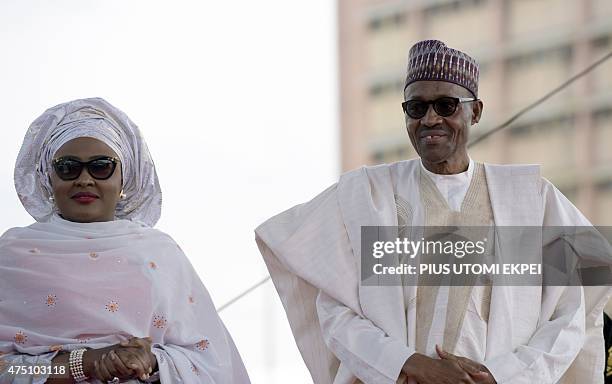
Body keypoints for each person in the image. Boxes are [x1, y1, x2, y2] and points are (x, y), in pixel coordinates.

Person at [255, 40, 612, 383]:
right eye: (416, 107)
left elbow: (567, 317)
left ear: (476, 110)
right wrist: (410, 365)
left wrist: (499, 376)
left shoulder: (530, 200)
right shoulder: (369, 198)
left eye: (446, 106)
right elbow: (336, 312)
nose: (429, 119)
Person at [0, 98, 250, 383]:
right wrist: (84, 363)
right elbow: (7, 369)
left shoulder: (159, 254)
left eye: (101, 166)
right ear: (48, 177)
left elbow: (212, 360)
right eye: (68, 167)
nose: (84, 179)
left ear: (125, 179)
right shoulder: (11, 256)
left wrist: (152, 360)